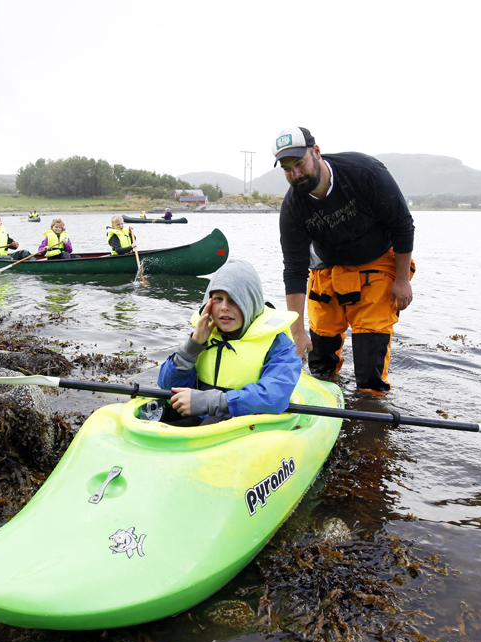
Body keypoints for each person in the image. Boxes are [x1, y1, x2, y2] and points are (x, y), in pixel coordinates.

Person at [272, 126, 415, 396]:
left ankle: (370, 414)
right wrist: (297, 330)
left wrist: (402, 280)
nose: (296, 174)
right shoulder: (293, 208)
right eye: (287, 169)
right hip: (328, 270)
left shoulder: (364, 172)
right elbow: (294, 269)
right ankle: (329, 405)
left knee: (369, 370)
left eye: (299, 163)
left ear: (315, 152)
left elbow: (403, 225)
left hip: (377, 262)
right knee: (320, 363)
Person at [157, 258, 302, 424]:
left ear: (250, 303)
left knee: (209, 422)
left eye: (234, 299)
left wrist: (207, 402)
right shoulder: (205, 334)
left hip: (245, 425)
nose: (224, 307)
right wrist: (192, 348)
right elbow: (167, 386)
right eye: (218, 299)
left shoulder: (278, 344)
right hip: (203, 417)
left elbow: (274, 397)